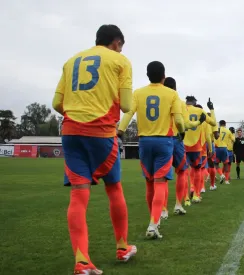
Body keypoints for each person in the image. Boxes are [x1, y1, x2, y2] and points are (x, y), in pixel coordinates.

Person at [53, 24, 136, 274]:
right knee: (114, 188)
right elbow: (127, 104)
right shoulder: (120, 60)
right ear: (117, 42)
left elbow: (57, 102)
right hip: (101, 133)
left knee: (78, 195)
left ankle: (82, 261)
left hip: (70, 132)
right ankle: (122, 247)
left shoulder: (71, 61)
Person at [118, 61, 187, 240]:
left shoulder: (138, 93)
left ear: (148, 75)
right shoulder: (171, 94)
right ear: (164, 76)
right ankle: (153, 224)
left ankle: (153, 220)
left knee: (149, 182)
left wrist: (120, 131)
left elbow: (128, 113)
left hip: (144, 141)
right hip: (164, 141)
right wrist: (182, 132)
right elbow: (179, 120)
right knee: (160, 182)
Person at [161, 77, 201, 215]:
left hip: (159, 138)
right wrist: (197, 123)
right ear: (175, 87)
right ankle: (178, 204)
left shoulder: (157, 97)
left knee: (161, 176)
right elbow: (185, 123)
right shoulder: (178, 101)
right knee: (182, 171)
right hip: (176, 139)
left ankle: (163, 209)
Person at [184, 96, 216, 202]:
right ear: (194, 102)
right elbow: (210, 130)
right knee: (199, 169)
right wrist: (211, 108)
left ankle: (185, 197)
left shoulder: (180, 109)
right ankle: (197, 193)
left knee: (183, 172)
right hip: (198, 146)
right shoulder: (200, 112)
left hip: (182, 146)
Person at [215, 120, 235, 184]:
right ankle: (226, 180)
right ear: (225, 124)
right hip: (224, 148)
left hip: (217, 148)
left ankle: (221, 174)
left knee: (216, 164)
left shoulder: (217, 129)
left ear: (219, 124)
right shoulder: (228, 131)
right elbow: (233, 139)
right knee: (226, 164)